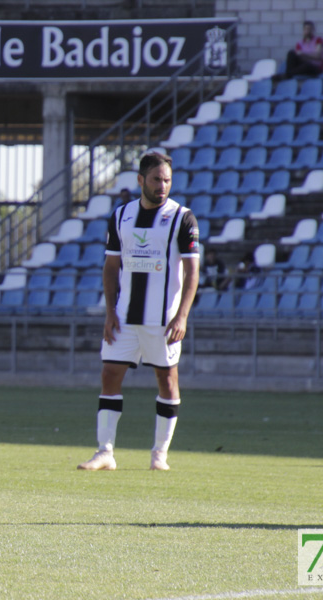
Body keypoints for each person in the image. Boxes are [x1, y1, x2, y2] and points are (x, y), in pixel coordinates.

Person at [78, 152, 199, 472]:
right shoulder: (121, 216)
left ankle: (160, 454)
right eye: (157, 179)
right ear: (141, 180)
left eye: (168, 180)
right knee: (109, 375)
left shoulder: (182, 217)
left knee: (167, 380)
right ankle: (105, 452)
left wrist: (182, 315)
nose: (163, 186)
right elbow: (110, 266)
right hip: (125, 317)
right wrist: (109, 311)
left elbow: (192, 272)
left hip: (164, 320)